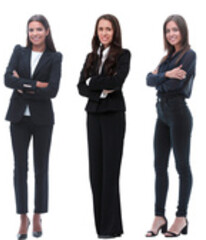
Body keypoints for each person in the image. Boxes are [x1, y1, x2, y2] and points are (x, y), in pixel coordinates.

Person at [2, 14, 62, 240]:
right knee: (20, 168)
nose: (34, 34)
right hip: (18, 117)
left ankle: (38, 214)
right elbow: (8, 79)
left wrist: (23, 84)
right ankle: (22, 217)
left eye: (39, 29)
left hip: (43, 119)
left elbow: (53, 90)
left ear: (47, 31)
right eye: (31, 30)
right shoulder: (19, 51)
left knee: (41, 168)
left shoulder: (55, 57)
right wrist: (37, 85)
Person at [143, 14, 196, 239]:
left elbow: (176, 84)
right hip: (161, 114)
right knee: (159, 166)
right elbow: (148, 79)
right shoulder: (167, 58)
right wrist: (165, 74)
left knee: (181, 166)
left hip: (178, 114)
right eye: (168, 31)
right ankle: (159, 216)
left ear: (183, 31)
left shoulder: (189, 55)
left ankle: (181, 217)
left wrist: (160, 79)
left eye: (175, 30)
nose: (171, 34)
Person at [78, 14, 130, 239]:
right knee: (95, 172)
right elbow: (80, 86)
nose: (104, 33)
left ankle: (111, 229)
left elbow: (117, 82)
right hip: (93, 116)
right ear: (96, 32)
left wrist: (93, 82)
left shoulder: (123, 54)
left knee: (110, 172)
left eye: (108, 29)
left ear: (115, 31)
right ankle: (102, 229)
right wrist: (99, 88)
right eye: (101, 29)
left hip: (113, 116)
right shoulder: (91, 56)